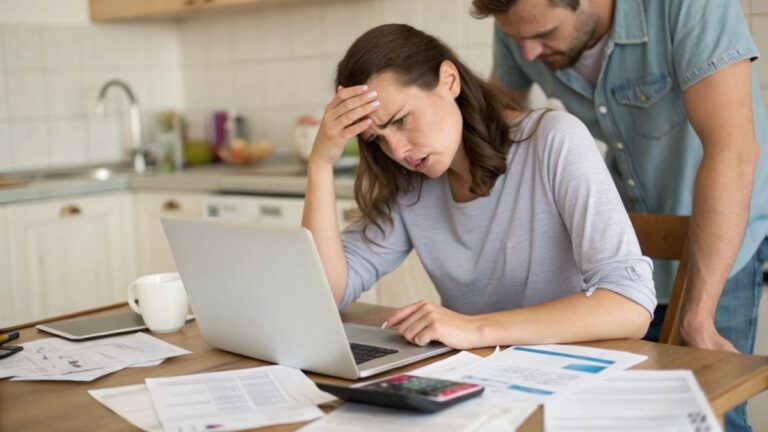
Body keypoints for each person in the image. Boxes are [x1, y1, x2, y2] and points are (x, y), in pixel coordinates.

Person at [472, 0, 768, 430]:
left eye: (543, 36)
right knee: (623, 416)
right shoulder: (521, 24)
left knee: (710, 413)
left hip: (721, 238)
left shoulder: (689, 7)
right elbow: (493, 132)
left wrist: (698, 312)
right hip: (623, 264)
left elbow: (733, 151)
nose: (528, 53)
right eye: (519, 39)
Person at [301, 23, 655, 351]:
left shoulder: (553, 140)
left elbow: (630, 303)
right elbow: (324, 293)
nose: (396, 150)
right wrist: (320, 163)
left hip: (573, 371)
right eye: (376, 139)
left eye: (400, 121)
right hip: (480, 379)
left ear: (449, 80)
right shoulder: (412, 183)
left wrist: (474, 329)